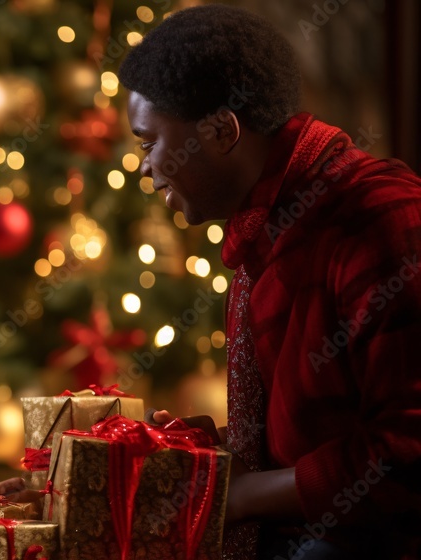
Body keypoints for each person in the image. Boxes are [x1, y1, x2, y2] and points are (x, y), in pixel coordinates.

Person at [119, 5, 421, 558]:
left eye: (147, 143)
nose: (143, 168)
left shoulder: (381, 220)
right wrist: (222, 454)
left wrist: (244, 494)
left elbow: (409, 450)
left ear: (222, 130)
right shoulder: (266, 230)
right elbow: (318, 434)